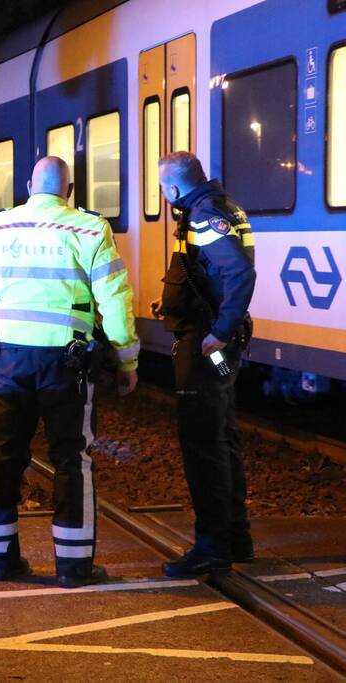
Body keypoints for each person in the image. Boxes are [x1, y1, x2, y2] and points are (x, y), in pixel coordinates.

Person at [0, 156, 139, 588]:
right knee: (71, 458)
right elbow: (114, 302)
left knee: (4, 454)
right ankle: (73, 567)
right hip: (67, 363)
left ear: (28, 185)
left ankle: (1, 562)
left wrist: (7, 317)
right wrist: (127, 359)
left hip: (10, 360)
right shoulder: (90, 229)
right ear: (70, 191)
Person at [151, 151, 256, 578]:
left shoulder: (203, 215)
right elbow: (208, 272)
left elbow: (238, 273)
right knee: (221, 435)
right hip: (212, 336)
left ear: (173, 188)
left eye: (162, 187)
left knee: (202, 444)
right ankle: (236, 538)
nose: (162, 193)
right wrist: (172, 300)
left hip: (207, 343)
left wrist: (221, 330)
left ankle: (212, 548)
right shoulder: (220, 205)